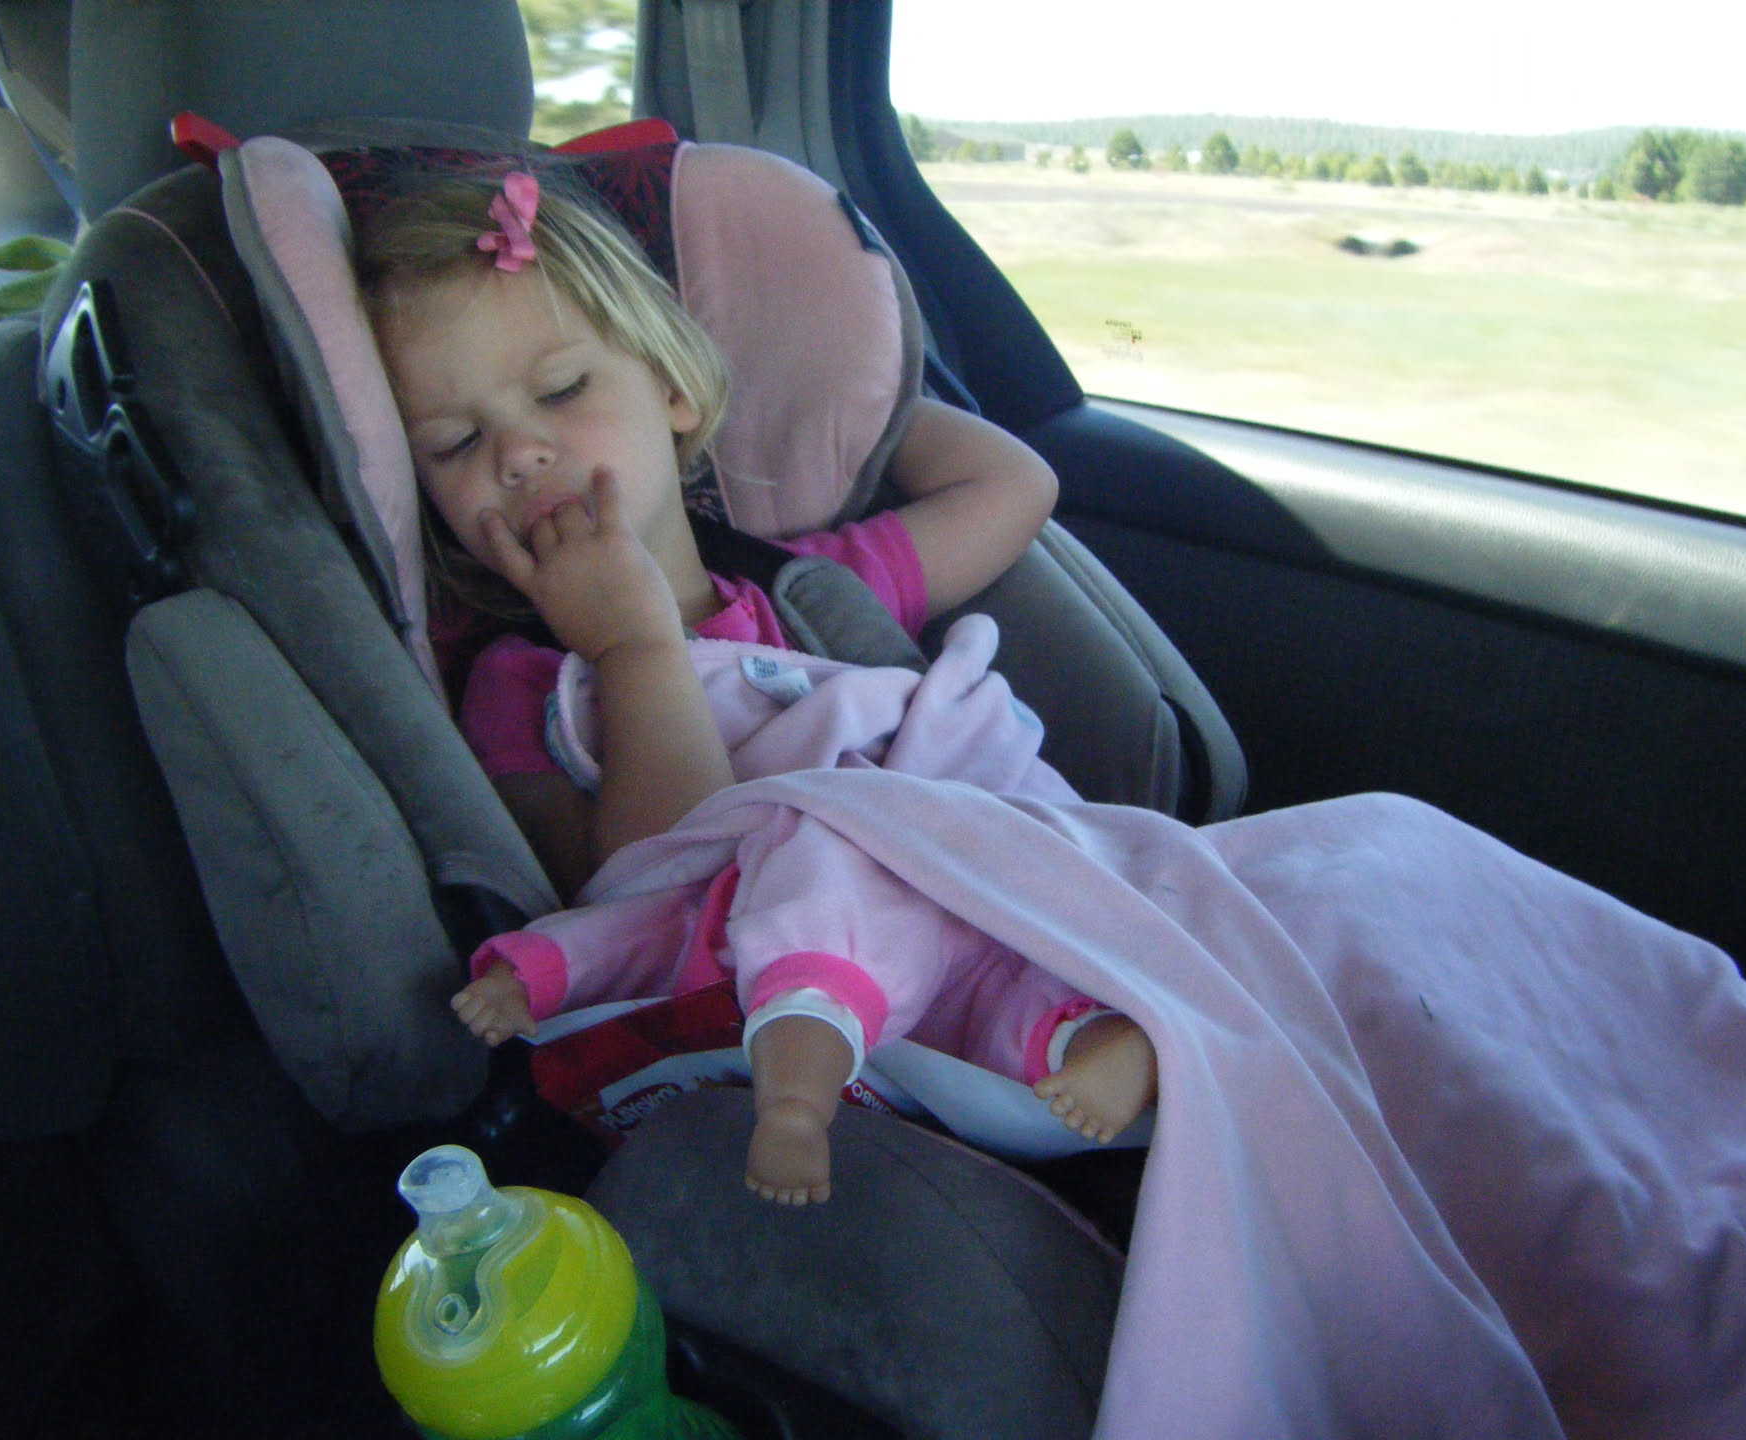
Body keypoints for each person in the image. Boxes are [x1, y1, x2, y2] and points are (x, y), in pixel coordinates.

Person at [354, 167, 1156, 1204]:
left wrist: (834, 404)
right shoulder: (518, 689)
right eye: (457, 443)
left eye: (561, 390)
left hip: (990, 895)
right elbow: (659, 875)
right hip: (823, 1029)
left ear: (672, 388)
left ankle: (1126, 1031)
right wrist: (633, 646)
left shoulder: (810, 590)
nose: (518, 453)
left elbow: (1015, 485)